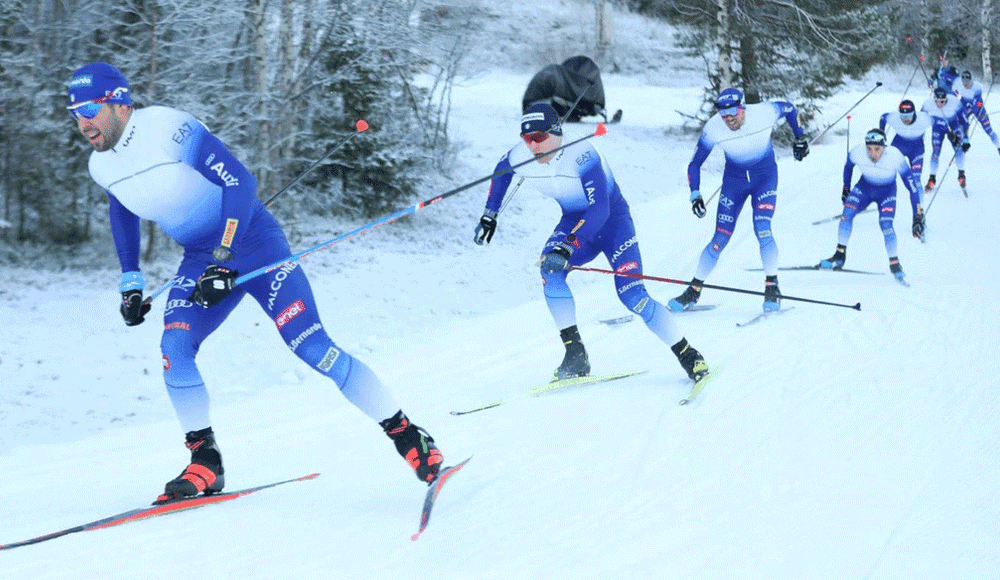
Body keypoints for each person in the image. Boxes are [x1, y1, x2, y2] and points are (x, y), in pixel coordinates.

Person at [67, 62, 444, 503]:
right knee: (174, 348)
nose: (82, 121)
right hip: (201, 259)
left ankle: (409, 437)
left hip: (251, 242)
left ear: (118, 102)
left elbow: (239, 181)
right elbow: (122, 210)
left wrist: (225, 256)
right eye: (73, 111)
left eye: (90, 108)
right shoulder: (100, 166)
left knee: (312, 347)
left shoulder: (168, 128)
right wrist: (130, 279)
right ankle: (205, 460)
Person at [472, 102, 710, 384]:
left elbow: (600, 209)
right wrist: (490, 215)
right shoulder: (522, 155)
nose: (533, 146)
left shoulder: (583, 154)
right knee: (550, 270)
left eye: (539, 138)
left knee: (633, 296)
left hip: (612, 223)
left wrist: (568, 246)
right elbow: (501, 173)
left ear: (556, 132)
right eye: (527, 139)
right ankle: (575, 353)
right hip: (573, 219)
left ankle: (688, 353)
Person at [670, 87, 808, 313]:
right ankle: (693, 290)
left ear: (743, 107)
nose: (729, 120)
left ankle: (772, 287)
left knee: (762, 228)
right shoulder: (714, 127)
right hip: (734, 182)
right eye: (724, 115)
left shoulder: (764, 112)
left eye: (734, 113)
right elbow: (694, 165)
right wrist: (695, 194)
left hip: (764, 178)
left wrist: (800, 136)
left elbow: (791, 109)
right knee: (719, 238)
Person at [818, 129, 923, 283]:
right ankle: (839, 255)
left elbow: (913, 188)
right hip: (864, 188)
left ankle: (894, 264)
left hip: (886, 193)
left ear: (884, 147)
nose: (872, 153)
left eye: (877, 149)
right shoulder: (858, 152)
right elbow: (848, 167)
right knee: (846, 215)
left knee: (886, 224)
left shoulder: (895, 156)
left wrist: (917, 215)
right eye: (869, 148)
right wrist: (846, 188)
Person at [878, 99, 939, 211]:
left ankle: (919, 208)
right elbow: (883, 117)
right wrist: (881, 132)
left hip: (916, 149)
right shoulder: (894, 117)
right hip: (899, 145)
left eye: (909, 115)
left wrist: (955, 136)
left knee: (915, 180)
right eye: (903, 116)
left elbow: (940, 122)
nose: (906, 119)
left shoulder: (923, 118)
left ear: (914, 113)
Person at [921, 86, 970, 191]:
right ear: (933, 99)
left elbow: (964, 121)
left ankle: (961, 175)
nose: (940, 104)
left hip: (953, 125)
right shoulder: (927, 104)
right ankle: (932, 178)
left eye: (943, 102)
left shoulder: (954, 102)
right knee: (935, 152)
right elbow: (920, 122)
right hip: (937, 128)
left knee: (959, 150)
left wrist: (965, 139)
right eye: (937, 102)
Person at [956, 70, 1000, 154]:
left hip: (979, 109)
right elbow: (962, 100)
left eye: (967, 81)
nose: (965, 83)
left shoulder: (976, 87)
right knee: (962, 122)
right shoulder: (961, 88)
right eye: (963, 81)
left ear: (970, 80)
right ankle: (965, 143)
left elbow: (979, 102)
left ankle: (998, 146)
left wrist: (973, 108)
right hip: (967, 108)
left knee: (988, 129)